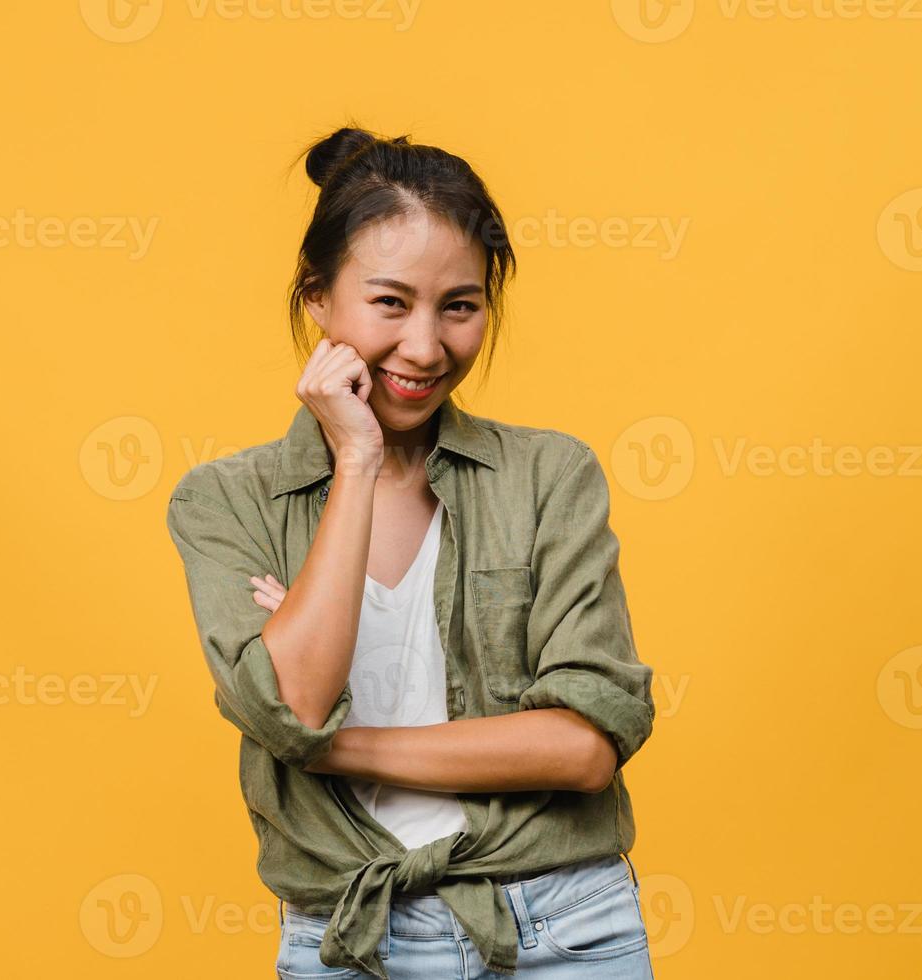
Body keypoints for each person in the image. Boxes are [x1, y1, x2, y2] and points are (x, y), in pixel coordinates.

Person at [166, 125, 657, 978]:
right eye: (390, 302)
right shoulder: (224, 501)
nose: (427, 348)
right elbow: (297, 700)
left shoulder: (548, 477)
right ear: (317, 298)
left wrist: (330, 748)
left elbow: (582, 747)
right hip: (348, 940)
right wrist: (353, 459)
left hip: (562, 929)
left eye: (459, 306)